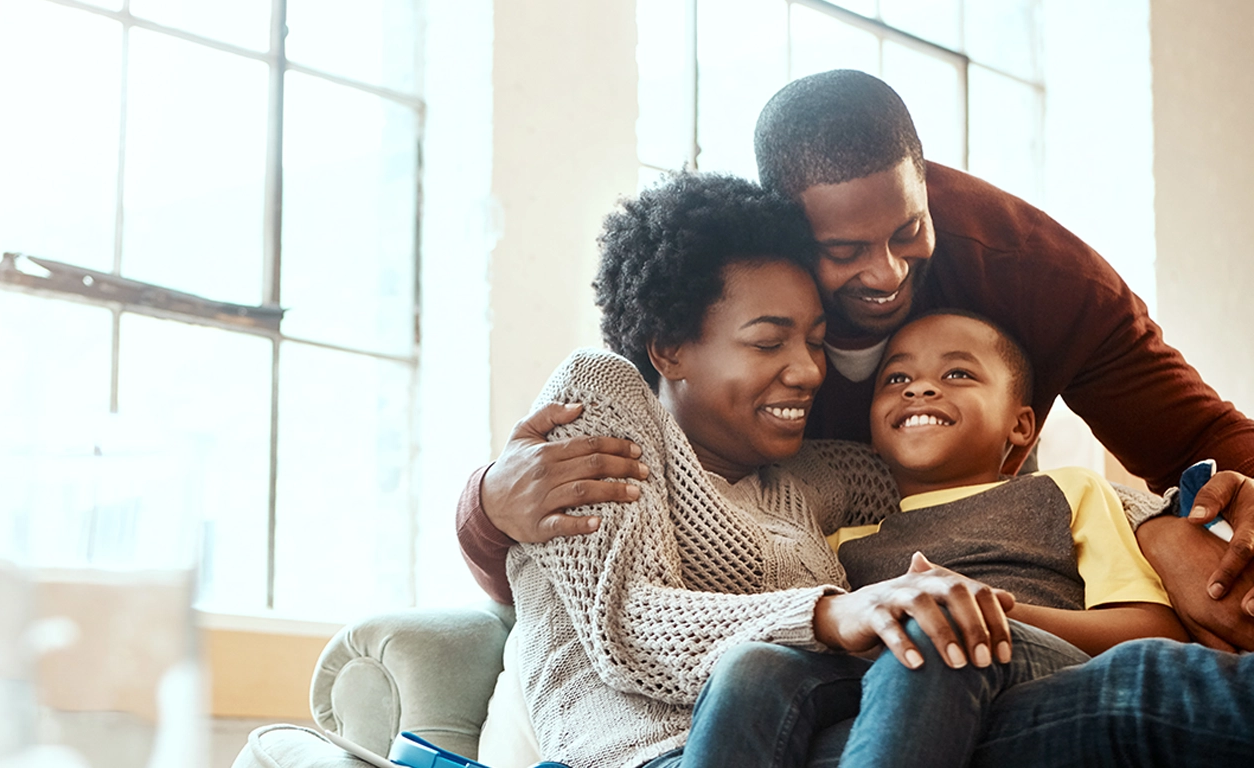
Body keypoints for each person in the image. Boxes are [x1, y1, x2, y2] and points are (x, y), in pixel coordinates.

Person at [460, 69, 1254, 649]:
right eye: (843, 250)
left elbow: (1202, 441)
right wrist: (487, 508)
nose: (885, 272)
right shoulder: (709, 321)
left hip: (1006, 597)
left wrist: (1165, 527)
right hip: (868, 638)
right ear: (788, 233)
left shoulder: (1039, 276)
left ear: (925, 189)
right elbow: (598, 571)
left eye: (909, 231)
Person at [497, 171, 1029, 768]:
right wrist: (830, 613)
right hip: (653, 755)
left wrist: (1142, 513)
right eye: (769, 343)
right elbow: (628, 624)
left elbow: (945, 473)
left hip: (819, 739)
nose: (807, 371)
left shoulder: (806, 477)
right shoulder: (602, 399)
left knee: (1126, 695)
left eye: (816, 342)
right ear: (668, 348)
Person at [676, 310, 1187, 768]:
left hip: (1036, 665)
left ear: (1021, 425)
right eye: (896, 377)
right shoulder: (840, 542)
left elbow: (1154, 631)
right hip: (892, 695)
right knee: (753, 665)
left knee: (935, 622)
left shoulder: (1065, 490)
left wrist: (988, 611)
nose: (918, 389)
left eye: (957, 374)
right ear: (873, 430)